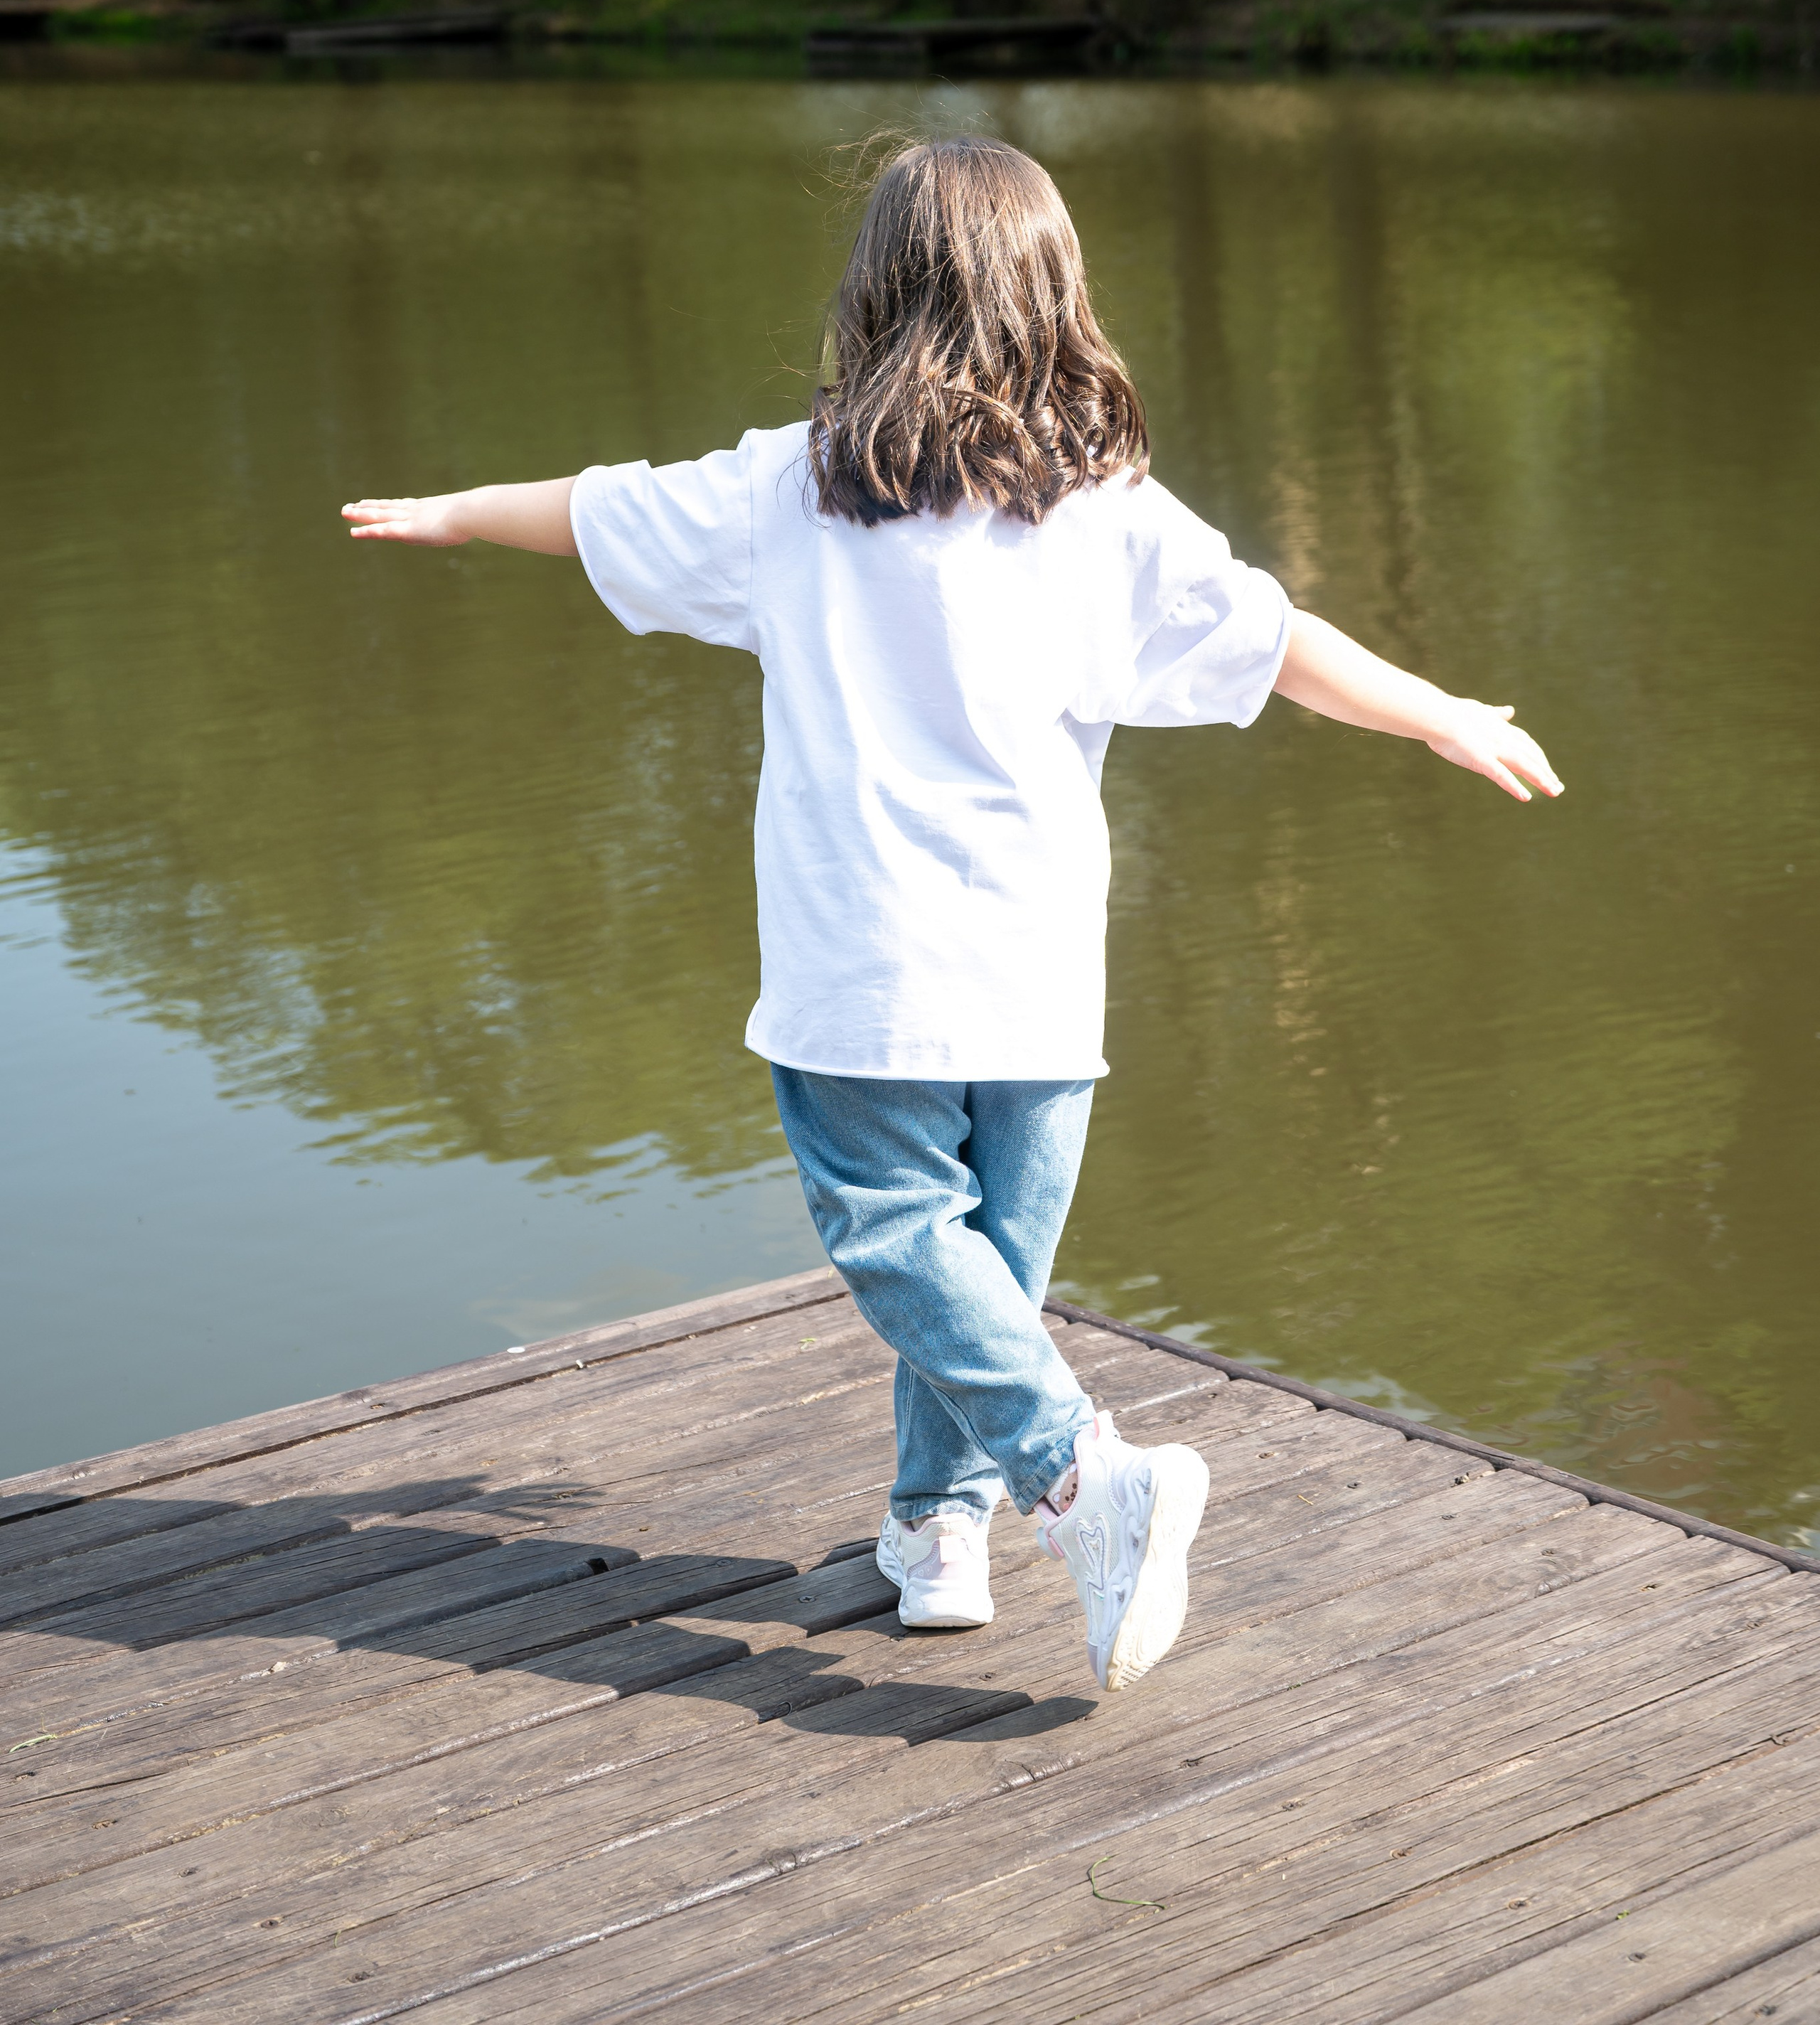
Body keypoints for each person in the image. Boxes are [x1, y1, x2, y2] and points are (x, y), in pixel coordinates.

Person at [343, 134, 1559, 1694]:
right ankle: (937, 1530)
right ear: (1057, 301)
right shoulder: (1105, 514)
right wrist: (1438, 707)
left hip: (863, 980)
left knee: (895, 1237)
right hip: (1042, 984)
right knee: (989, 1265)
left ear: (876, 295)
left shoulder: (792, 494)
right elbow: (1274, 641)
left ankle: (1076, 1475)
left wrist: (444, 512)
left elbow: (590, 509)